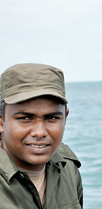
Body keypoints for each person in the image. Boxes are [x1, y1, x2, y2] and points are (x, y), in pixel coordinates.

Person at [0, 63, 83, 209]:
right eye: (25, 118)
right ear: (1, 121)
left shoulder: (68, 167)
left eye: (51, 118)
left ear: (65, 118)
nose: (39, 132)